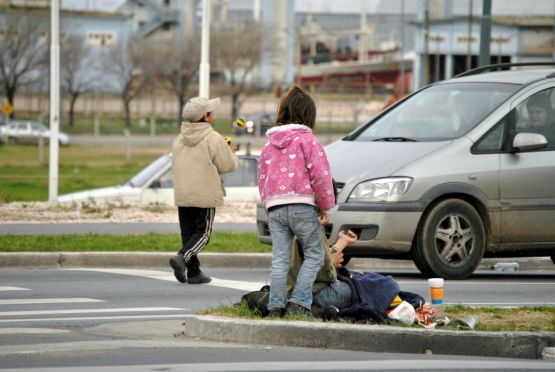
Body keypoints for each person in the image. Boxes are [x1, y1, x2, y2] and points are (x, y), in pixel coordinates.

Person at [258, 85, 335, 317]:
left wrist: (268, 206)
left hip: (276, 206)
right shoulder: (308, 141)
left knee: (280, 259)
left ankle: (275, 306)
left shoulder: (269, 144)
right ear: (309, 116)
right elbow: (321, 175)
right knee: (314, 254)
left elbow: (262, 178)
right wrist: (324, 204)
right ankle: (299, 302)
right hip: (302, 205)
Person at [169, 96, 238, 284]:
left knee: (188, 233)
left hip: (183, 193)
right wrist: (232, 154)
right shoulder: (213, 138)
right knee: (203, 233)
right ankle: (182, 258)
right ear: (206, 117)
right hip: (205, 193)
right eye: (211, 112)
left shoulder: (178, 139)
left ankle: (194, 272)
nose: (213, 115)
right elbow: (227, 166)